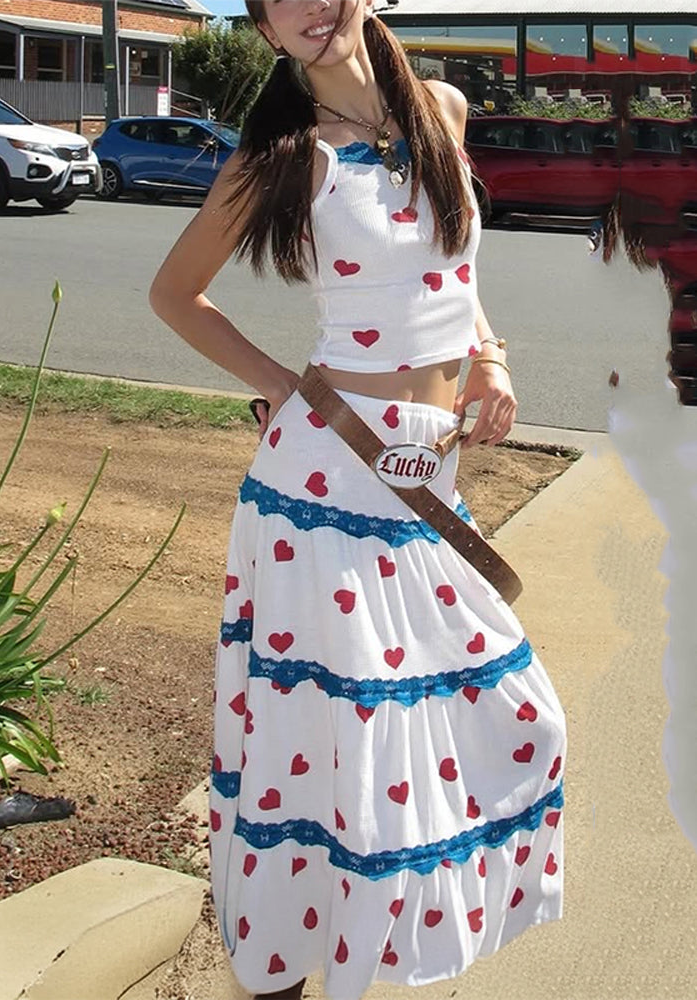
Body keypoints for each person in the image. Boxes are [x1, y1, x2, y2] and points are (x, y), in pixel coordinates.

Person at [148, 3, 567, 999]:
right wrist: (287, 387)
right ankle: (282, 975)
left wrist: (490, 357)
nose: (305, 7)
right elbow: (175, 294)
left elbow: (453, 271)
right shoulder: (286, 155)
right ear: (263, 30)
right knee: (323, 747)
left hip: (425, 468)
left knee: (522, 720)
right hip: (321, 485)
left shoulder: (443, 112)